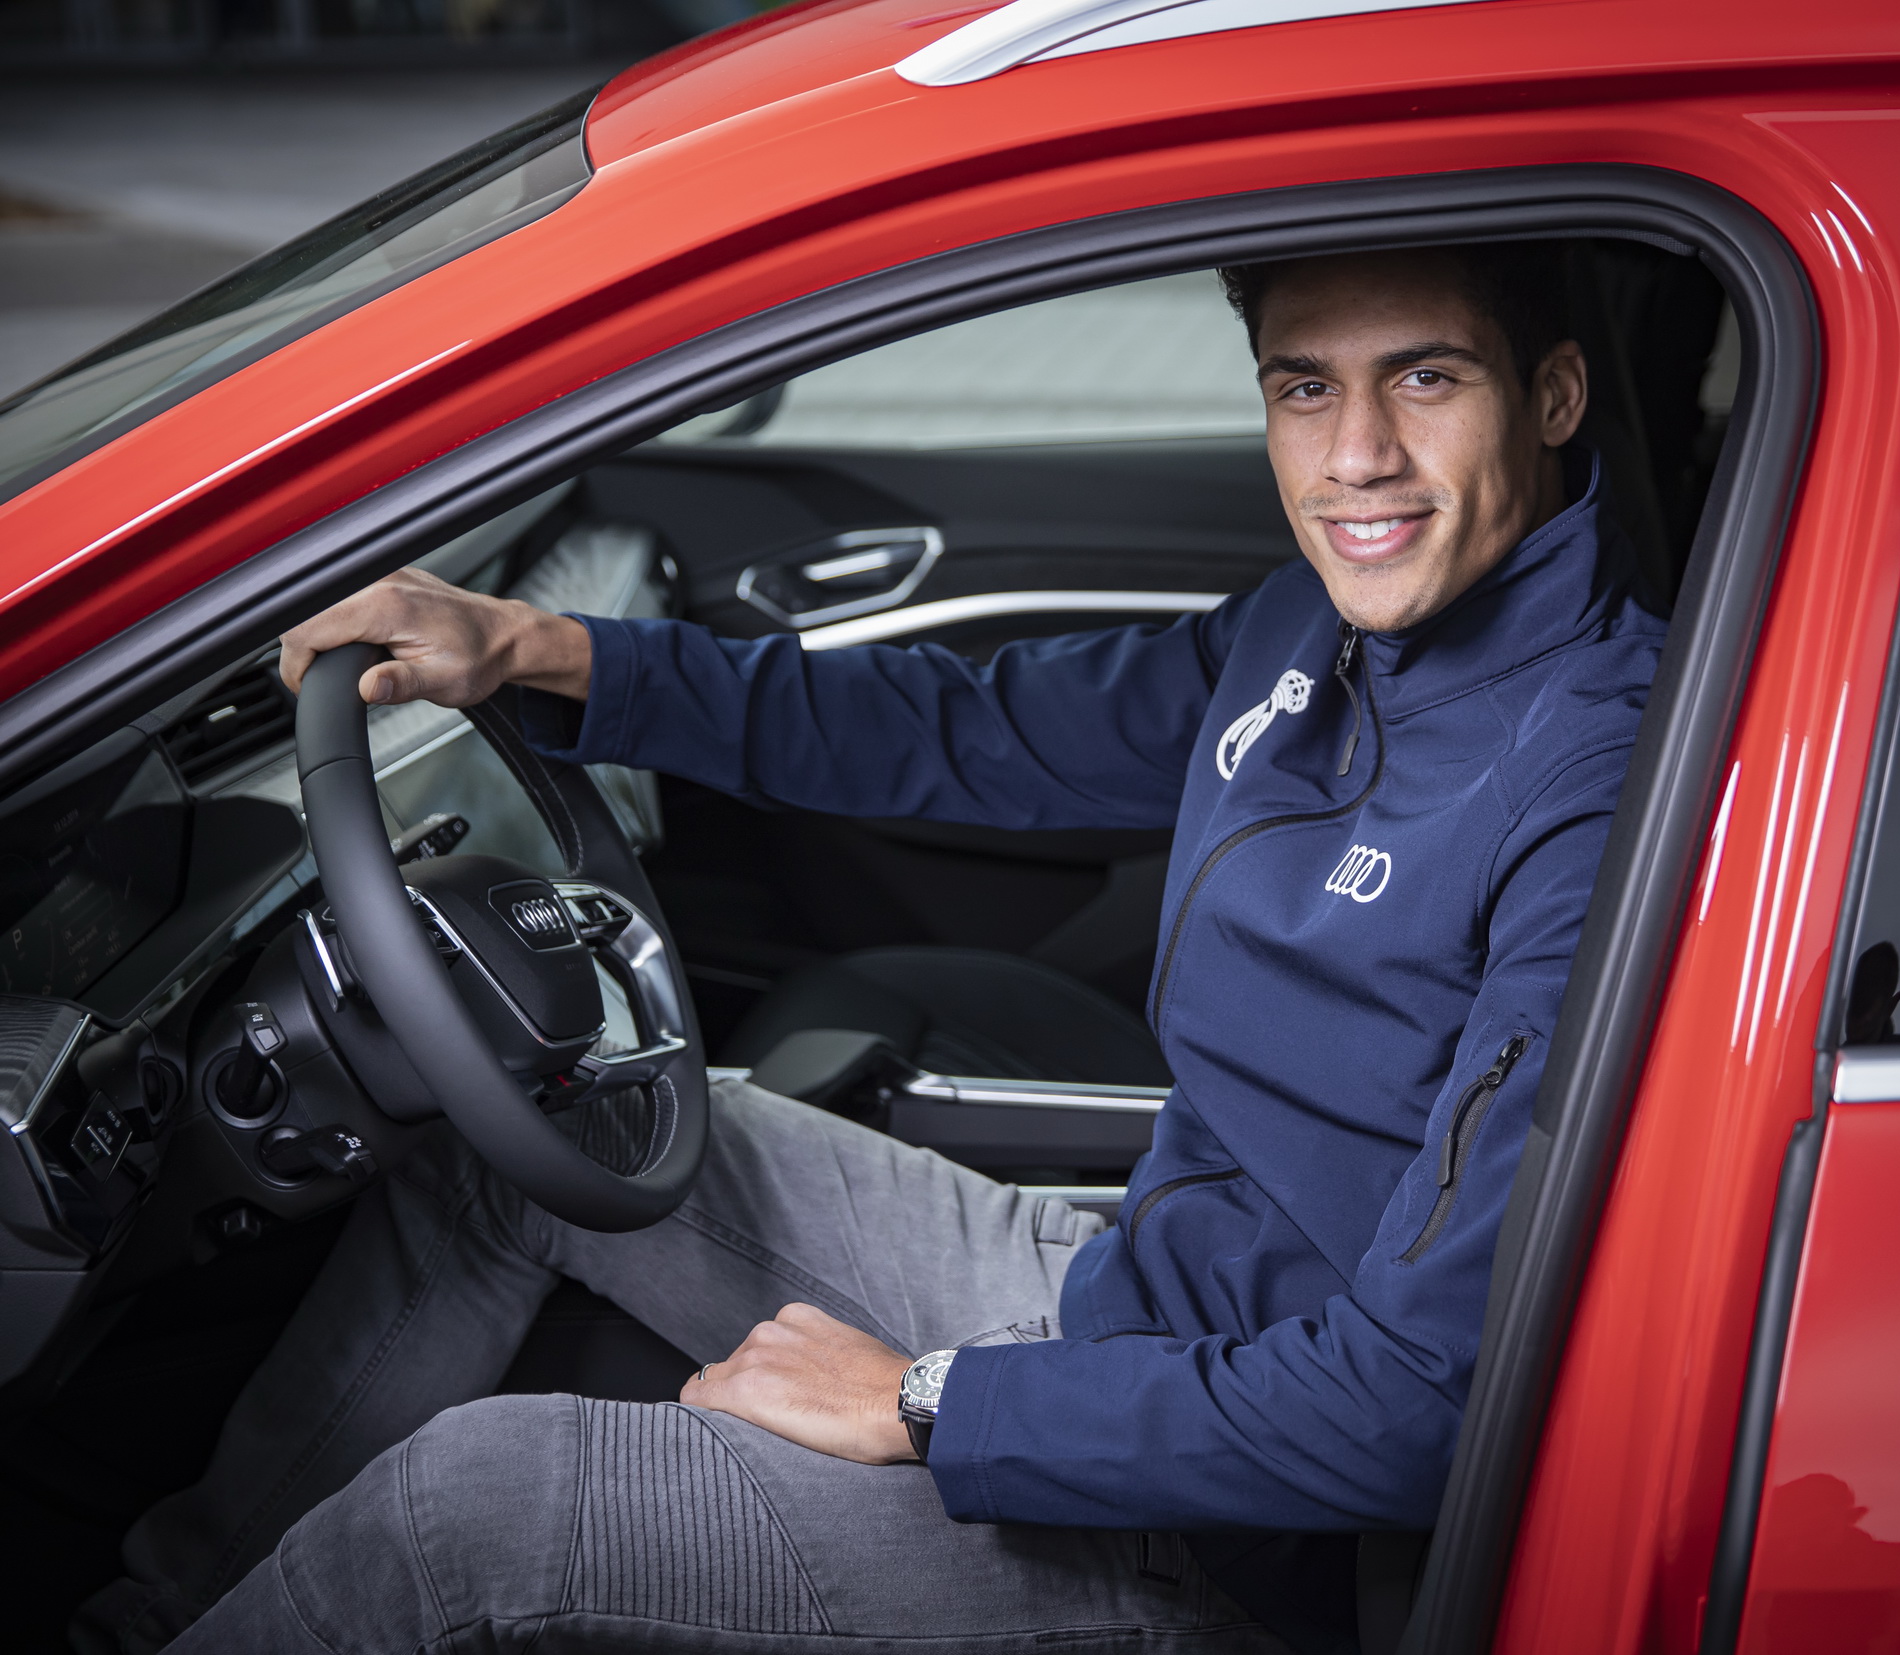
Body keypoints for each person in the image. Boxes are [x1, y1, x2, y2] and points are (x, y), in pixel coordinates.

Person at [76, 241, 1665, 1655]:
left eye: (1428, 379)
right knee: (537, 1116)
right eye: (1304, 390)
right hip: (1128, 1299)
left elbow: (1418, 1410)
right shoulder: (1307, 640)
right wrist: (549, 652)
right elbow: (967, 731)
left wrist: (928, 1401)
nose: (1359, 455)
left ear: (1559, 393)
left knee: (465, 1509)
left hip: (1233, 1527)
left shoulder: (1598, 790)